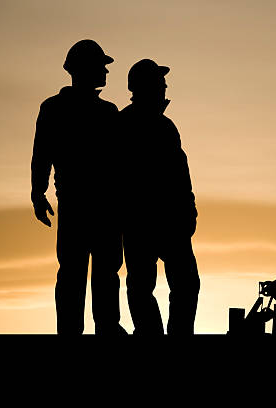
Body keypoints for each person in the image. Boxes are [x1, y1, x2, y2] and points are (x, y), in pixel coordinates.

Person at [31, 39, 127, 335]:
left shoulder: (67, 109)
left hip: (93, 208)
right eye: (102, 67)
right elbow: (42, 154)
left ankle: (98, 329)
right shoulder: (103, 113)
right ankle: (94, 330)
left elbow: (41, 155)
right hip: (90, 208)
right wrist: (38, 193)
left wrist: (38, 193)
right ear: (85, 70)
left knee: (94, 275)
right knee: (88, 275)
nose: (106, 73)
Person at [120, 59, 200, 335]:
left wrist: (189, 210)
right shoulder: (127, 125)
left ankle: (170, 335)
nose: (165, 89)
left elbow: (180, 172)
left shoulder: (165, 126)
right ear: (146, 88)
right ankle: (153, 335)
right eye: (160, 84)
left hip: (169, 222)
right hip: (144, 222)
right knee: (143, 286)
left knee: (185, 284)